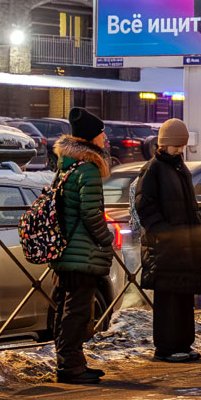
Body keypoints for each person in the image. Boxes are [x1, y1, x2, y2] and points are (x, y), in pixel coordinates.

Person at [51, 106, 115, 385]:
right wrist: (106, 238)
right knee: (77, 310)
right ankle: (71, 368)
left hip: (65, 249)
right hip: (82, 252)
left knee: (67, 307)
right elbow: (92, 214)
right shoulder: (88, 168)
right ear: (91, 139)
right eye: (102, 134)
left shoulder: (66, 166)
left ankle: (71, 363)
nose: (105, 139)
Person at [135, 118, 201, 363]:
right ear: (164, 144)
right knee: (168, 300)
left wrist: (198, 228)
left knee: (183, 297)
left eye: (182, 145)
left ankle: (183, 344)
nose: (179, 149)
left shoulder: (178, 167)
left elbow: (190, 205)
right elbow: (144, 206)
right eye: (176, 145)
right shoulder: (154, 168)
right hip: (166, 246)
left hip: (183, 245)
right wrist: (164, 233)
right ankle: (166, 347)